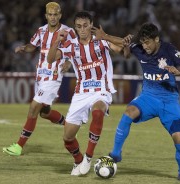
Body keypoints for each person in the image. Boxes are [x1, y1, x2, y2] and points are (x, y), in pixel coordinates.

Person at [93, 23, 180, 181]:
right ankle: (116, 153)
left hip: (169, 102)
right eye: (142, 42)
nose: (145, 46)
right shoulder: (140, 48)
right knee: (128, 113)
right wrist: (106, 37)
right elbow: (124, 45)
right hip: (148, 97)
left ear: (157, 39)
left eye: (148, 42)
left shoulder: (168, 49)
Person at [47, 11, 123, 176]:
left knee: (98, 112)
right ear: (75, 27)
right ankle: (78, 160)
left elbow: (122, 50)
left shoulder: (101, 41)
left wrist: (107, 37)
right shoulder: (71, 46)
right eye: (79, 26)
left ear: (91, 25)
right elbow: (50, 59)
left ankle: (88, 157)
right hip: (81, 93)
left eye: (85, 26)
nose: (82, 29)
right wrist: (56, 41)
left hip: (101, 89)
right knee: (67, 138)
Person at [2, 2, 77, 156]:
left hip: (53, 77)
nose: (53, 17)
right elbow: (32, 45)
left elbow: (77, 50)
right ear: (46, 16)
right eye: (50, 14)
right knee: (44, 112)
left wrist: (68, 62)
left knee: (34, 107)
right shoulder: (41, 31)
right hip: (40, 76)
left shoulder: (68, 32)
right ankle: (69, 124)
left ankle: (18, 146)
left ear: (60, 15)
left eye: (56, 14)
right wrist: (24, 48)